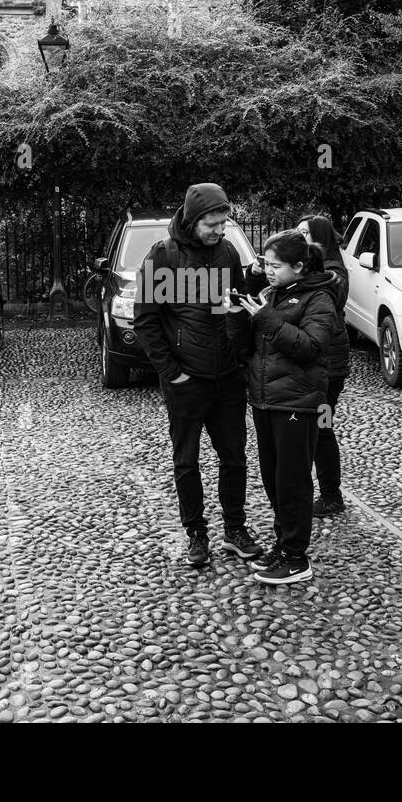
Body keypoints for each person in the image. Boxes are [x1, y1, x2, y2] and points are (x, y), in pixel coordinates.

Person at [133, 183, 264, 568]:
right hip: (186, 382)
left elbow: (236, 306)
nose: (220, 231)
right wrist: (171, 373)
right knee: (186, 462)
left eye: (224, 223)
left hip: (227, 379)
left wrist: (240, 359)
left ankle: (235, 529)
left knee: (234, 458)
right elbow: (146, 322)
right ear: (193, 221)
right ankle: (196, 534)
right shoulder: (163, 257)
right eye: (212, 224)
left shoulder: (226, 252)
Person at [226, 230, 337, 585]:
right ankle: (283, 544)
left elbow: (310, 348)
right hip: (265, 399)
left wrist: (267, 319)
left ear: (299, 266)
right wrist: (238, 313)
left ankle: (296, 557)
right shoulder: (272, 295)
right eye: (265, 264)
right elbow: (247, 346)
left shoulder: (319, 299)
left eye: (275, 265)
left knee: (292, 481)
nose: (268, 271)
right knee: (274, 479)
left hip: (297, 403)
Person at [297, 215, 350, 516]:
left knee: (322, 428)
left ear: (319, 238)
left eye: (305, 233)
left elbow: (333, 297)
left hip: (330, 369)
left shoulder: (333, 272)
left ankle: (331, 495)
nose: (300, 237)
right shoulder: (318, 268)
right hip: (321, 365)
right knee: (318, 428)